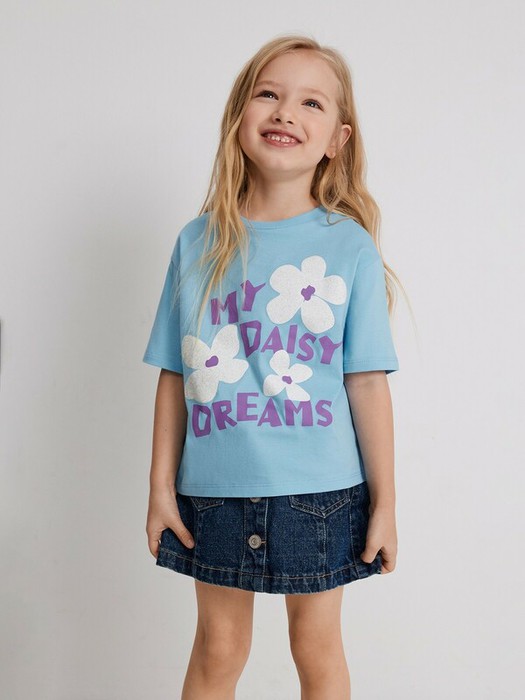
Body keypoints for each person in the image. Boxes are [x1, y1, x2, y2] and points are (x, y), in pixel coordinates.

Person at [143, 34, 405, 700]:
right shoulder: (197, 242)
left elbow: (366, 383)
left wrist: (385, 503)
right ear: (239, 117)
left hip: (322, 494)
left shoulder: (348, 246)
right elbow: (175, 376)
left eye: (310, 102)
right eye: (268, 94)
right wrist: (160, 487)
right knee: (218, 649)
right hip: (214, 492)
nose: (285, 111)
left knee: (315, 648)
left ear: (337, 140)